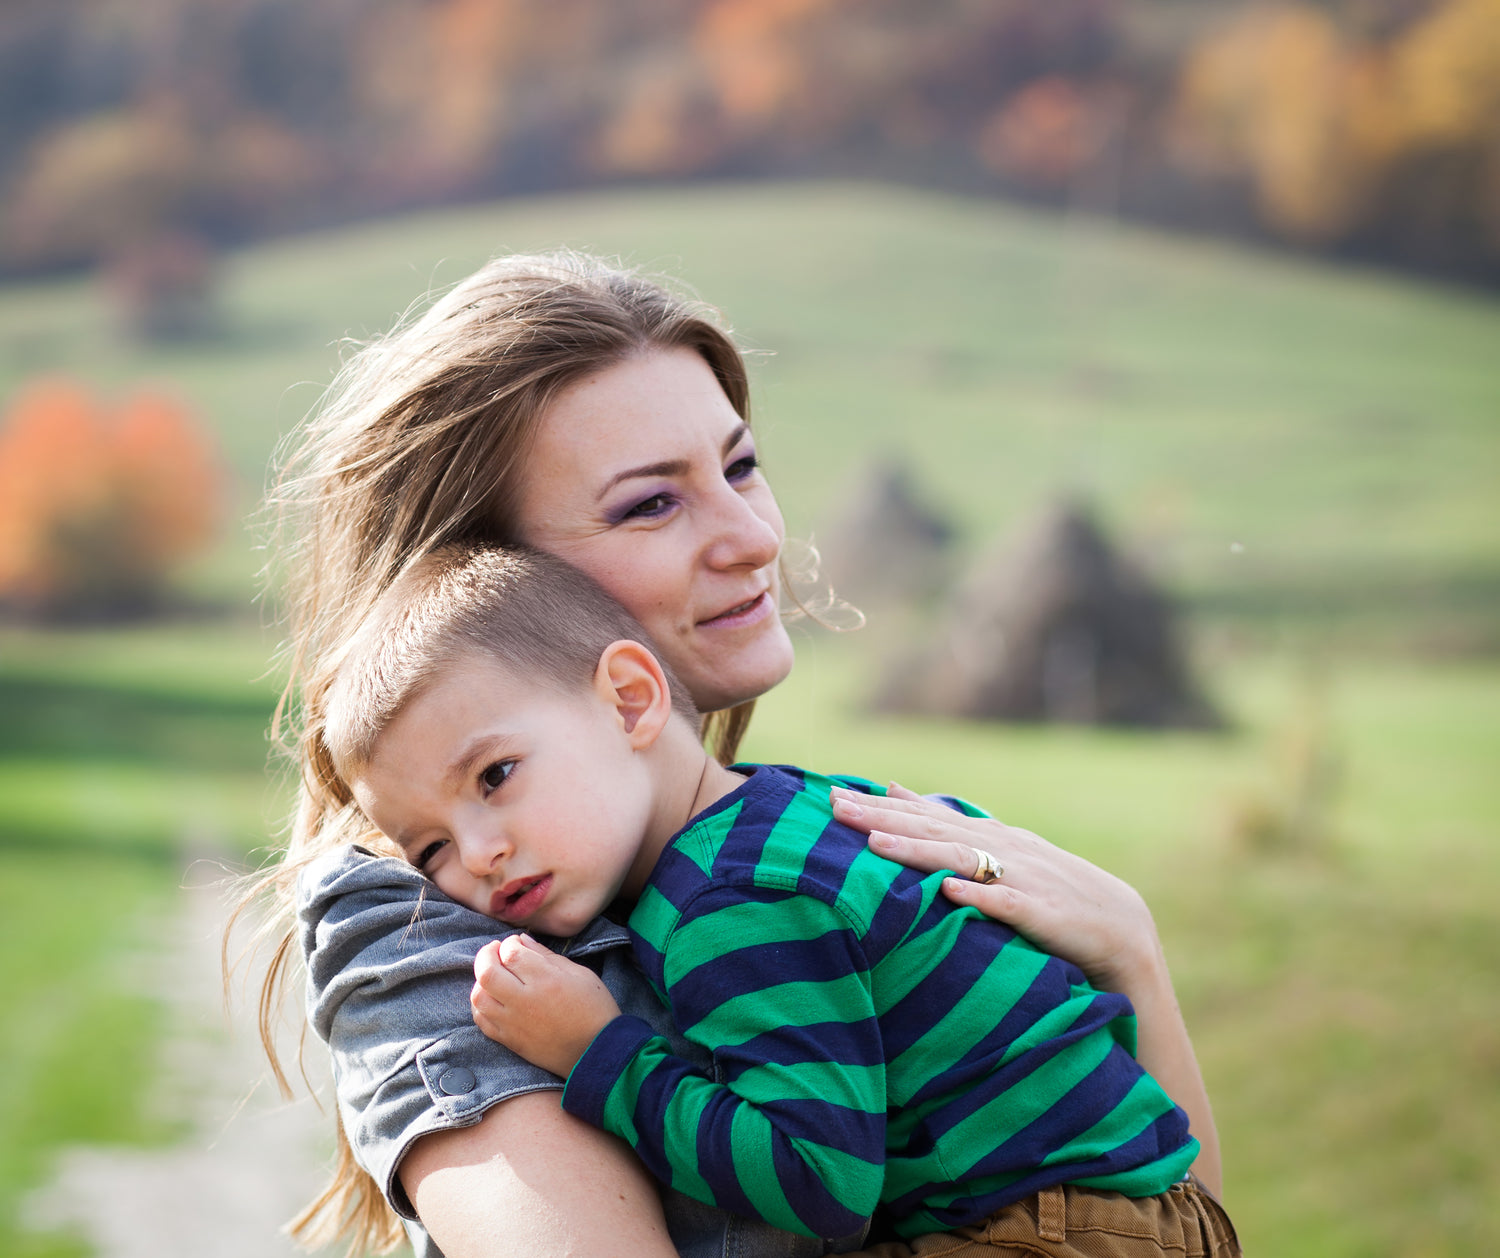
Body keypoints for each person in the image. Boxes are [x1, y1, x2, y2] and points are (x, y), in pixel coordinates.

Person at [239, 249, 1223, 1258]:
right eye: (651, 503)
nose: (754, 535)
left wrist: (1131, 952)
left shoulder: (792, 843)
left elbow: (1164, 1214)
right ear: (485, 577)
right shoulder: (431, 915)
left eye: (740, 465)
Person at [317, 542, 1237, 1256]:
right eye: (429, 847)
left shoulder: (733, 900)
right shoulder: (790, 811)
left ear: (630, 701)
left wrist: (602, 1052)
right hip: (1150, 1206)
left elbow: (818, 1179)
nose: (478, 854)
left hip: (1041, 1234)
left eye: (496, 774)